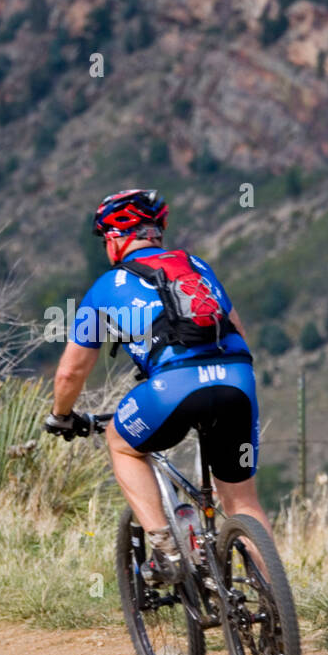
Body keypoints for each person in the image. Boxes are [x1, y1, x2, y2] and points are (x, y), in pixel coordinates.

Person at [44, 188, 271, 583]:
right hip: (237, 378)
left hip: (173, 385)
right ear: (156, 233)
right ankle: (277, 617)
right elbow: (238, 331)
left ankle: (168, 550)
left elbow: (70, 373)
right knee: (242, 501)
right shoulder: (197, 265)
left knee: (121, 442)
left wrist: (61, 415)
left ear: (115, 238)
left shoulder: (107, 285)